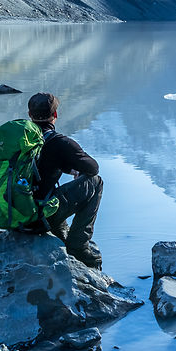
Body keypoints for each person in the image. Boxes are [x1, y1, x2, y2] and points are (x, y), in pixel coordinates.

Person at [27, 92, 103, 270]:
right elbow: (93, 168)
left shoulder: (18, 140)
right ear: (55, 115)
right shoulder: (59, 143)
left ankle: (61, 232)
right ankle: (79, 245)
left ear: (29, 115)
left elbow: (41, 164)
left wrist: (67, 167)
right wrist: (71, 163)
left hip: (13, 217)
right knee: (96, 182)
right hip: (37, 219)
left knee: (45, 192)